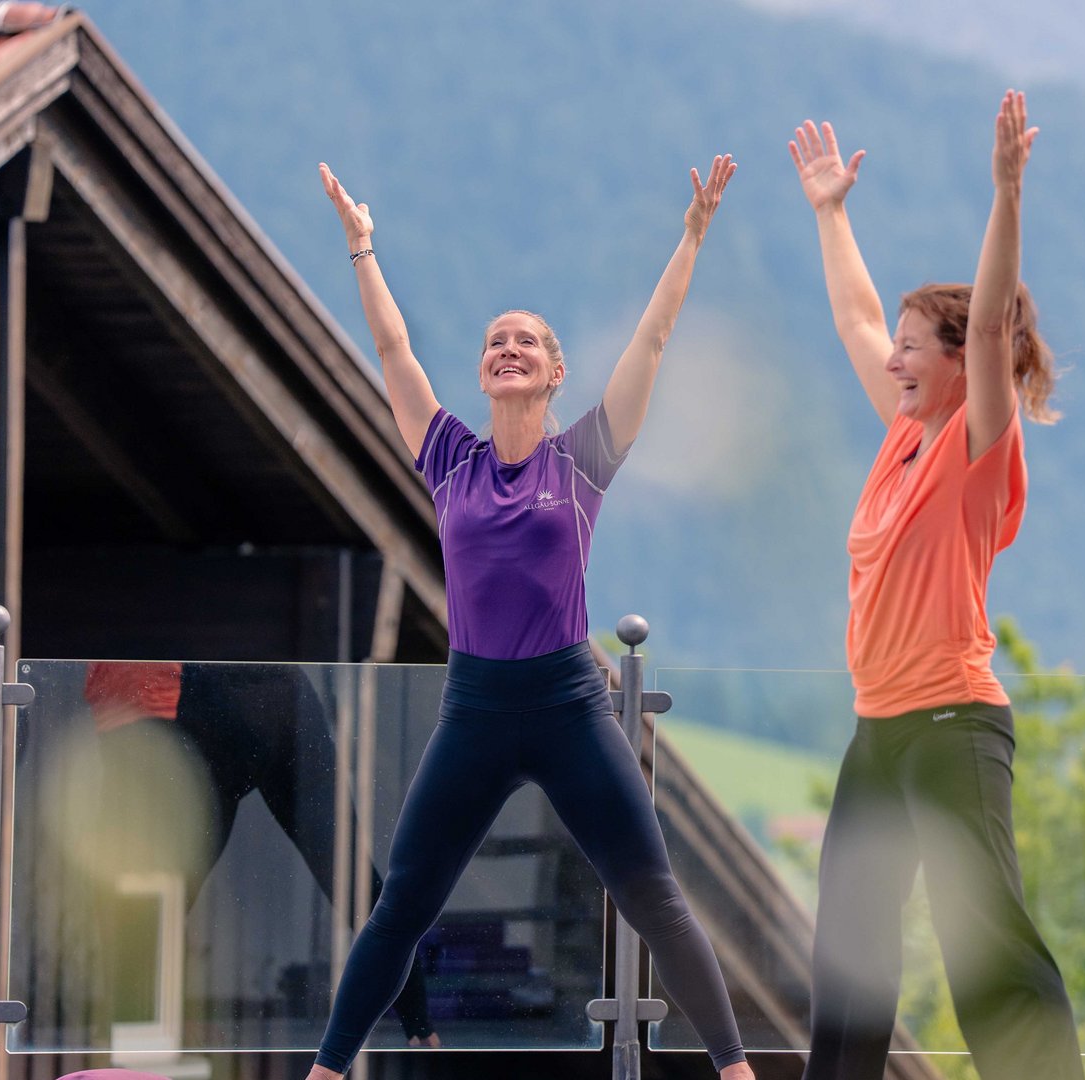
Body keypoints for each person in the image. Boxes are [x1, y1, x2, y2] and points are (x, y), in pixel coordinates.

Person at [304, 155, 753, 1079]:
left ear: (554, 373)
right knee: (401, 908)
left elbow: (654, 340)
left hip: (568, 707)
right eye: (494, 342)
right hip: (473, 713)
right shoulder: (450, 460)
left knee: (654, 896)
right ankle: (325, 1072)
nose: (507, 350)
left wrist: (692, 236)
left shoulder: (583, 458)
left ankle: (738, 1071)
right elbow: (392, 349)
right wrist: (362, 247)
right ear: (484, 371)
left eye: (526, 343)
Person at [786, 92, 1085, 1080]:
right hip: (878, 731)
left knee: (985, 954)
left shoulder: (975, 444)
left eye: (915, 346)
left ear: (959, 365)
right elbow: (856, 315)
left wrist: (1007, 193)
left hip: (954, 726)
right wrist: (831, 213)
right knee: (848, 968)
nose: (895, 357)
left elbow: (993, 323)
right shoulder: (906, 434)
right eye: (901, 344)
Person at [82, 661, 438, 1045]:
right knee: (350, 875)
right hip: (274, 687)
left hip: (186, 701)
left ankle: (126, 1034)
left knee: (149, 894)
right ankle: (423, 1031)